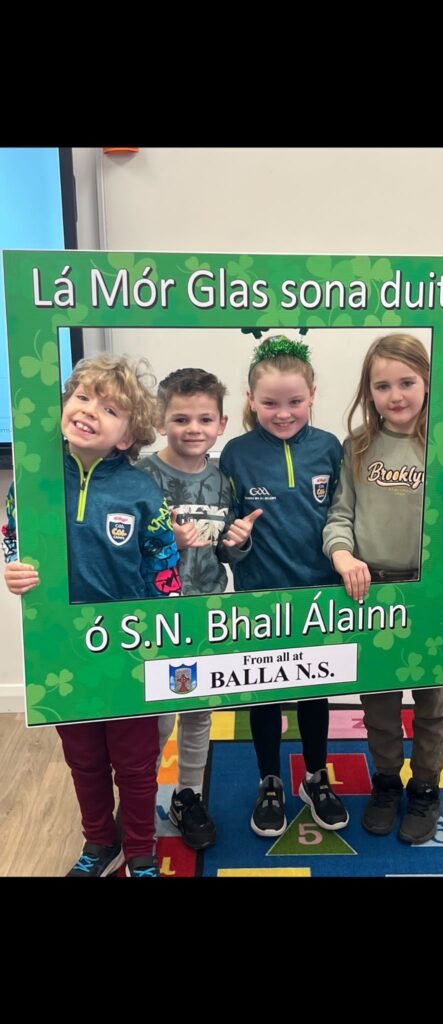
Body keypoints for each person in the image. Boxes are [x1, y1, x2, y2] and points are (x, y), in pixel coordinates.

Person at [2, 354, 181, 877]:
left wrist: (160, 637)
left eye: (109, 409)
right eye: (82, 397)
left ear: (127, 437)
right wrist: (14, 567)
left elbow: (163, 565)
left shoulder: (141, 490)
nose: (88, 411)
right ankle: (99, 842)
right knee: (83, 758)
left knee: (136, 762)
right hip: (61, 649)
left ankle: (141, 849)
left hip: (128, 650)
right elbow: (14, 537)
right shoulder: (32, 480)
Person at [322, 332, 443, 844]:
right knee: (379, 703)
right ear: (369, 390)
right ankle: (386, 781)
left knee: (430, 701)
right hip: (372, 592)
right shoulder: (358, 446)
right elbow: (340, 516)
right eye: (382, 386)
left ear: (428, 381)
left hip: (426, 591)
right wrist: (343, 555)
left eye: (407, 382)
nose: (396, 395)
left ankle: (426, 787)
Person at [219, 335, 349, 837]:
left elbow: (345, 517)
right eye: (270, 403)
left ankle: (315, 777)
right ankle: (269, 780)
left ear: (312, 394)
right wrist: (235, 542)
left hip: (321, 597)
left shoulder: (330, 448)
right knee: (265, 696)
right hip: (260, 597)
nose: (283, 413)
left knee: (316, 693)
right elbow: (224, 537)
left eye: (295, 401)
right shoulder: (235, 454)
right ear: (251, 400)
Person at [138, 367, 259, 849]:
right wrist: (166, 540)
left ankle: (188, 796)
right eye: (181, 418)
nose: (193, 428)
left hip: (207, 610)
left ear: (222, 423)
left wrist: (238, 541)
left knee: (198, 710)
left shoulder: (223, 480)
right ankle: (139, 799)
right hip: (155, 616)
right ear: (160, 420)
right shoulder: (142, 477)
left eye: (205, 419)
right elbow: (123, 548)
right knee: (157, 717)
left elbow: (227, 554)